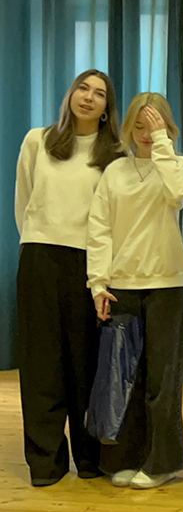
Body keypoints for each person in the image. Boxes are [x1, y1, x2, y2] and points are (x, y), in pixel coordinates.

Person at [14, 69, 123, 486]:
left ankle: (90, 458)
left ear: (107, 108)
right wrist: (39, 240)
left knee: (85, 365)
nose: (88, 97)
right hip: (40, 257)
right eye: (83, 88)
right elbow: (24, 202)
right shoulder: (37, 141)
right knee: (41, 364)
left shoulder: (115, 154)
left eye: (99, 93)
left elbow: (113, 219)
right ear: (71, 94)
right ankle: (45, 462)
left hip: (89, 265)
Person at [87, 92, 183, 489]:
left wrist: (162, 142)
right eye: (140, 126)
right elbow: (99, 229)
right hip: (122, 287)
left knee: (163, 380)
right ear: (128, 129)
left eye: (155, 125)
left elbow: (175, 192)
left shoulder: (180, 166)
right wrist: (98, 283)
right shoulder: (115, 172)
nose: (147, 133)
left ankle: (163, 461)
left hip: (167, 285)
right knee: (124, 377)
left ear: (168, 128)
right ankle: (127, 457)